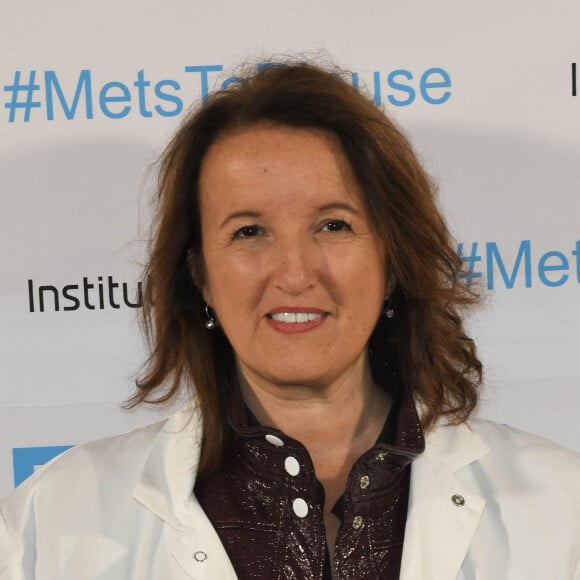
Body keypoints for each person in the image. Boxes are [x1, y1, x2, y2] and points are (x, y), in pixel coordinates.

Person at [1, 60, 579, 580]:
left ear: (393, 260)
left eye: (333, 225)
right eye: (248, 231)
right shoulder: (51, 521)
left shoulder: (561, 506)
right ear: (198, 274)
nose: (296, 273)